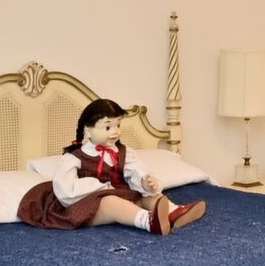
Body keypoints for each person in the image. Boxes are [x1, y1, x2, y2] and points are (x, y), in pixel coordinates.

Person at [16, 97, 206, 235]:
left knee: (148, 196)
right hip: (84, 206)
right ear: (88, 131)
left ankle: (173, 212)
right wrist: (102, 188)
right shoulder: (74, 157)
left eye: (118, 125)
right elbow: (66, 191)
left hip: (121, 196)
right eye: (107, 127)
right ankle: (148, 221)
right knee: (110, 202)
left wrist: (146, 182)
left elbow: (135, 171)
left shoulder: (123, 152)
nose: (115, 132)